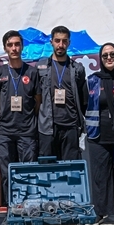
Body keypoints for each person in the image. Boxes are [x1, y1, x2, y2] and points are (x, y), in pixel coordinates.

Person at [0, 30, 40, 209]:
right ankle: (12, 210)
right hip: (5, 131)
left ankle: (29, 209)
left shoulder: (32, 72)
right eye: (10, 45)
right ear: (5, 48)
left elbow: (37, 101)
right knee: (7, 173)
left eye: (17, 44)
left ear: (22, 46)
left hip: (27, 131)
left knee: (27, 172)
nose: (14, 48)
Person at [84, 43, 114, 222]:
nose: (109, 58)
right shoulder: (92, 80)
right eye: (105, 56)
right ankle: (101, 211)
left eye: (112, 54)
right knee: (100, 175)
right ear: (100, 59)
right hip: (98, 134)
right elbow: (83, 104)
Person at [38, 25, 87, 161]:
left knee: (70, 169)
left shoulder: (77, 69)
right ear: (51, 42)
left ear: (69, 43)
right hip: (47, 127)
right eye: (57, 41)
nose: (61, 45)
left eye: (64, 41)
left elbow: (84, 99)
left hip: (70, 126)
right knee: (47, 168)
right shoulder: (40, 67)